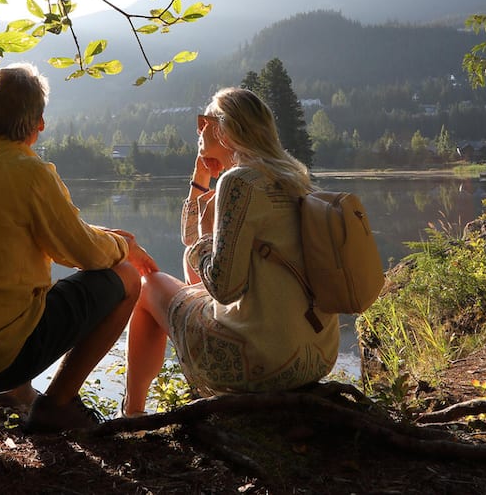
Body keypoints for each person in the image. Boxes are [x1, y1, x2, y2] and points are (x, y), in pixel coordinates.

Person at [0, 63, 157, 433]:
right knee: (125, 278)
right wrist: (125, 247)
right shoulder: (29, 172)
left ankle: (12, 395)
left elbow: (63, 235)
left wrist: (104, 237)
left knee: (15, 292)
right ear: (39, 123)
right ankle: (59, 403)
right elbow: (83, 254)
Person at [122, 87, 339, 415]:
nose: (199, 131)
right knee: (188, 260)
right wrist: (200, 181)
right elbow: (188, 240)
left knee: (147, 286)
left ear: (224, 129)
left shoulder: (240, 183)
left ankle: (132, 413)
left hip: (263, 364)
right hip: (316, 357)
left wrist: (209, 237)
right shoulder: (292, 175)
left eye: (204, 123)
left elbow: (225, 289)